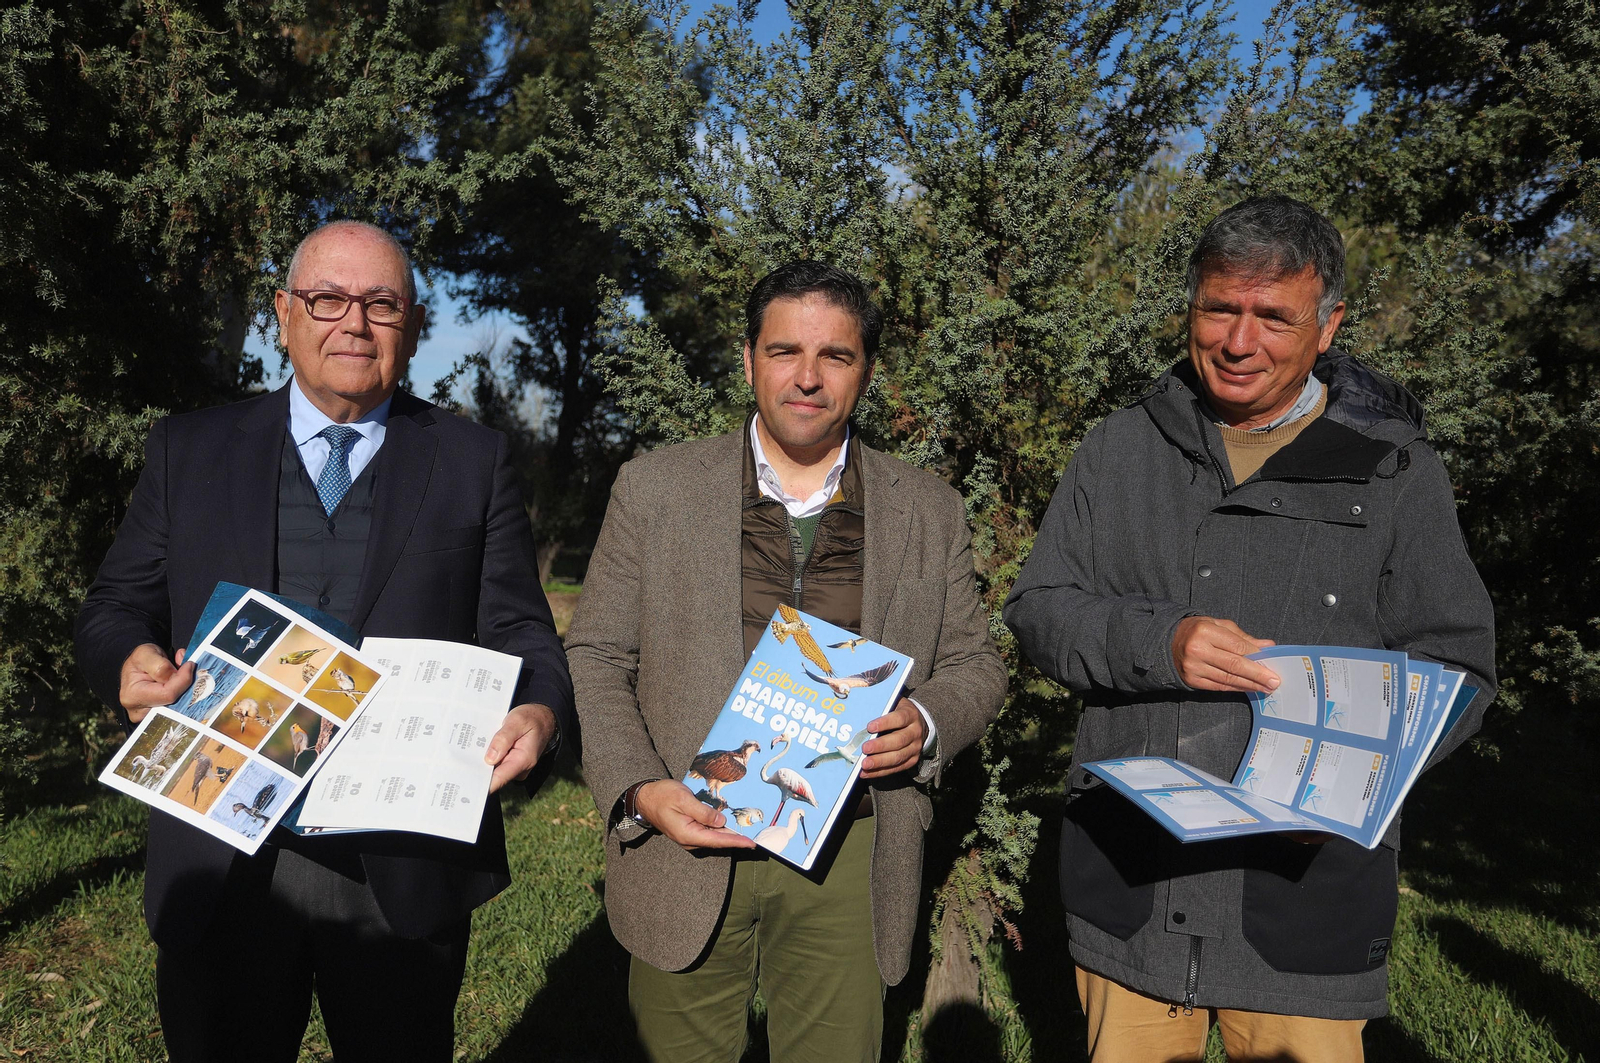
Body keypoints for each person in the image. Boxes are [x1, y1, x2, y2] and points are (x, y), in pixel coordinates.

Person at [1003, 196, 1496, 1063]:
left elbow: (1458, 668)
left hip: (1305, 907)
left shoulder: (1393, 471)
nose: (1239, 341)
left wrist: (1355, 786)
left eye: (1274, 317)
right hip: (1133, 888)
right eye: (1219, 308)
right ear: (1189, 305)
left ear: (1329, 324)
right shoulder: (1117, 450)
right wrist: (1160, 644)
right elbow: (1040, 609)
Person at [75, 220, 574, 1062]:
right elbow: (114, 605)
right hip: (223, 851)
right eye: (328, 299)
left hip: (397, 865)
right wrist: (127, 661)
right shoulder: (187, 450)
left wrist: (541, 710)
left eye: (382, 304)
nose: (355, 323)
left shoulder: (472, 460)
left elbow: (525, 629)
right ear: (283, 313)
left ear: (412, 325)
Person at [566, 260, 1007, 1063]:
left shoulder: (927, 508)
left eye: (835, 356)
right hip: (688, 834)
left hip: (849, 846)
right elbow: (596, 654)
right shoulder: (654, 489)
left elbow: (976, 662)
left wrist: (929, 720)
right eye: (783, 352)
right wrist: (640, 789)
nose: (807, 377)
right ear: (747, 361)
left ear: (865, 370)